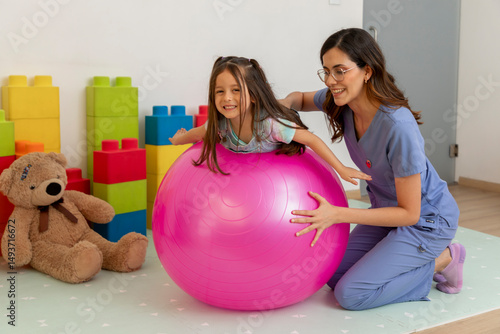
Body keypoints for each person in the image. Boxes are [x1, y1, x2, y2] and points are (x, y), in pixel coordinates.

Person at [281, 28, 465, 311]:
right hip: (387, 215)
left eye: (340, 71)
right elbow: (300, 99)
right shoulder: (340, 102)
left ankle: (446, 259)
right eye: (326, 72)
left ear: (367, 71)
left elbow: (410, 213)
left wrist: (337, 214)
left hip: (426, 221)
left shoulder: (398, 126)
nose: (331, 81)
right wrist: (279, 106)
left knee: (351, 295)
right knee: (331, 272)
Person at [169, 56, 371, 185]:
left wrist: (341, 167)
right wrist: (179, 139)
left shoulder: (270, 125)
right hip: (243, 177)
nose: (227, 98)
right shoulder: (220, 125)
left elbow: (310, 139)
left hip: (275, 172)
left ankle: (289, 102)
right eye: (219, 91)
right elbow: (198, 133)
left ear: (254, 95)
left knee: (283, 111)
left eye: (236, 90)